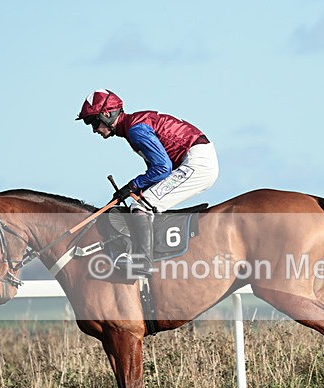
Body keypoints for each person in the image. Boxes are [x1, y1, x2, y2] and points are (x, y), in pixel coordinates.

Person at [76, 89, 219, 277]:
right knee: (144, 199)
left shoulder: (135, 130)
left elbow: (162, 168)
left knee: (141, 205)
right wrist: (135, 188)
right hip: (194, 159)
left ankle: (143, 261)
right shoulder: (132, 127)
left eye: (93, 122)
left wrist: (132, 186)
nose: (94, 129)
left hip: (197, 163)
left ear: (107, 114)